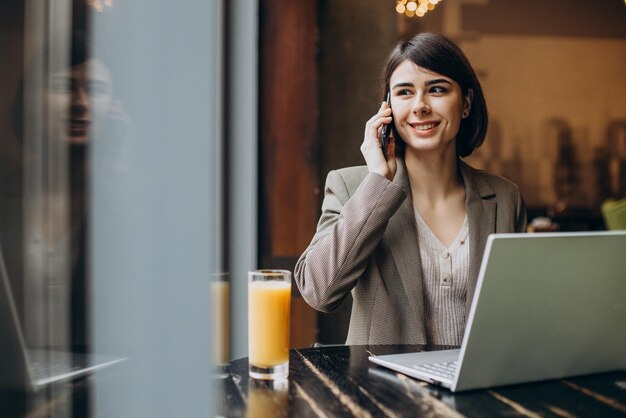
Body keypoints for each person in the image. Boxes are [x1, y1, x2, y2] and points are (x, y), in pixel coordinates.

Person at [294, 33, 526, 346]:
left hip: (477, 390)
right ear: (387, 109)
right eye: (405, 92)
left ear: (467, 102)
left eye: (437, 89)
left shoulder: (504, 198)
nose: (420, 106)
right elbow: (318, 292)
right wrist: (378, 182)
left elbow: (518, 314)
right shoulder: (352, 187)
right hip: (383, 391)